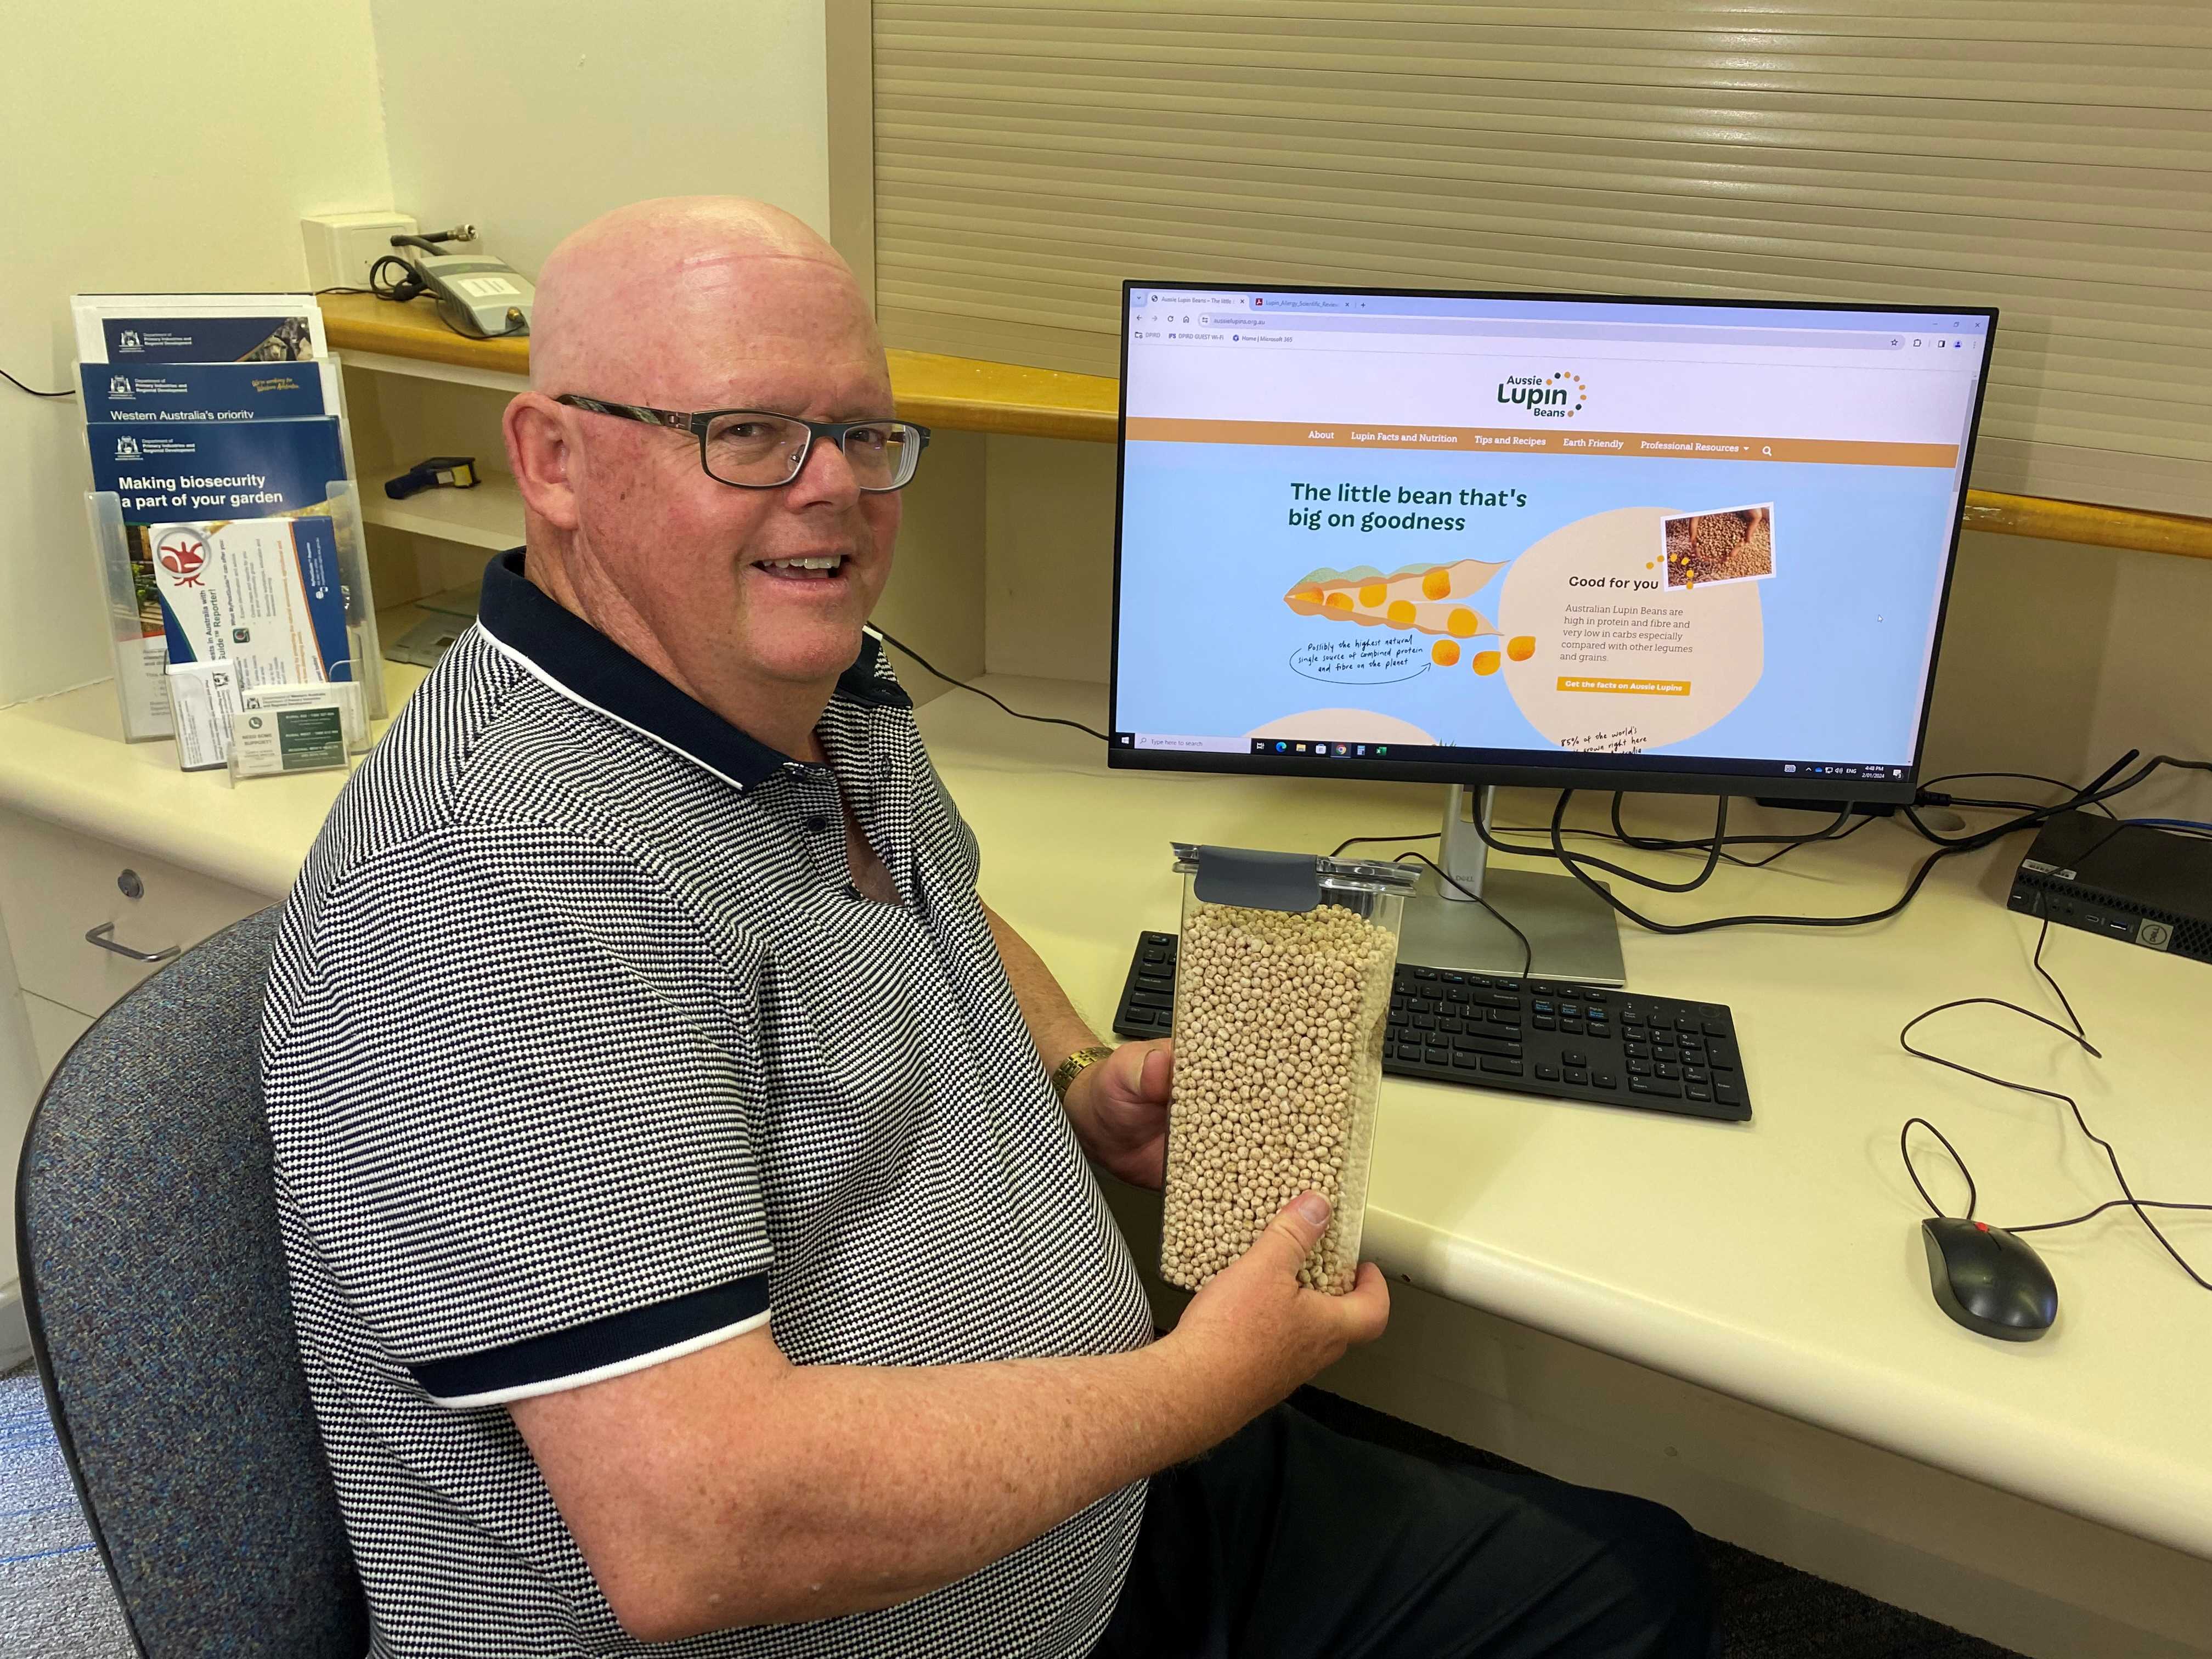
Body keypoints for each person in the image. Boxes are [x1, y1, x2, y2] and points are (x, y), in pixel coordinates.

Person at [262, 196, 1712, 1659]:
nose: (833, 487)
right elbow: (706, 1530)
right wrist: (1206, 1384)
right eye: (748, 432)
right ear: (555, 461)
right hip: (885, 1603)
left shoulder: (781, 692)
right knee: (1610, 1614)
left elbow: (932, 894)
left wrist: (1079, 1072)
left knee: (1627, 1570)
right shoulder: (488, 889)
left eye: (863, 432)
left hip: (1070, 1506)